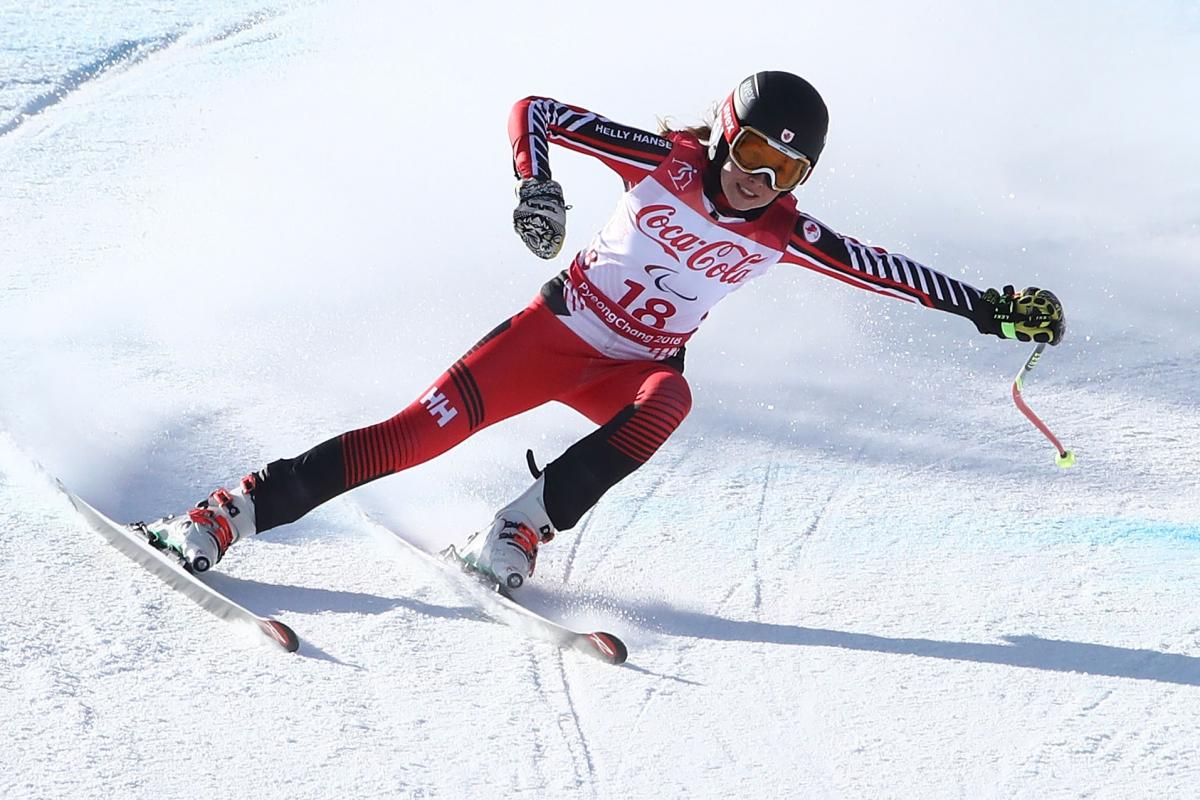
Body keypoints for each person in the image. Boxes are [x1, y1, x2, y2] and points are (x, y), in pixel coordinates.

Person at [147, 71, 1065, 587]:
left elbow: (881, 269)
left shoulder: (781, 232)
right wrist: (536, 184)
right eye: (750, 154)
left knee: (673, 397)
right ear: (721, 134)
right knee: (411, 439)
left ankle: (518, 530)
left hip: (627, 371)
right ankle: (228, 513)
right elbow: (536, 111)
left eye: (785, 172)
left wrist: (989, 309)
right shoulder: (663, 161)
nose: (758, 182)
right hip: (550, 337)